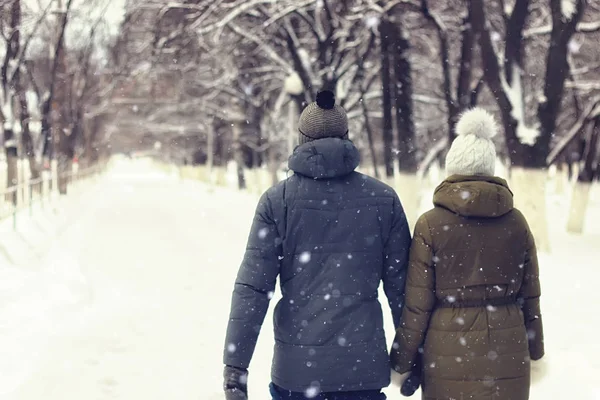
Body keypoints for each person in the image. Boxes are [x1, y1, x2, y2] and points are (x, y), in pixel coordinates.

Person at [222, 90, 412, 400]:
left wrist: (236, 367)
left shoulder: (277, 201)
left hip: (297, 374)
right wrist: (409, 357)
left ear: (301, 139)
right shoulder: (383, 200)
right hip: (361, 372)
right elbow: (403, 287)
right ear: (347, 137)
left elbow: (253, 289)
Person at [390, 108, 545, 400]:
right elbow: (530, 296)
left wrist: (403, 361)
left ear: (452, 168)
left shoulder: (430, 224)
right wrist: (535, 352)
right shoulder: (517, 223)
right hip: (508, 350)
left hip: (448, 350)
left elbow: (417, 305)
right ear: (490, 168)